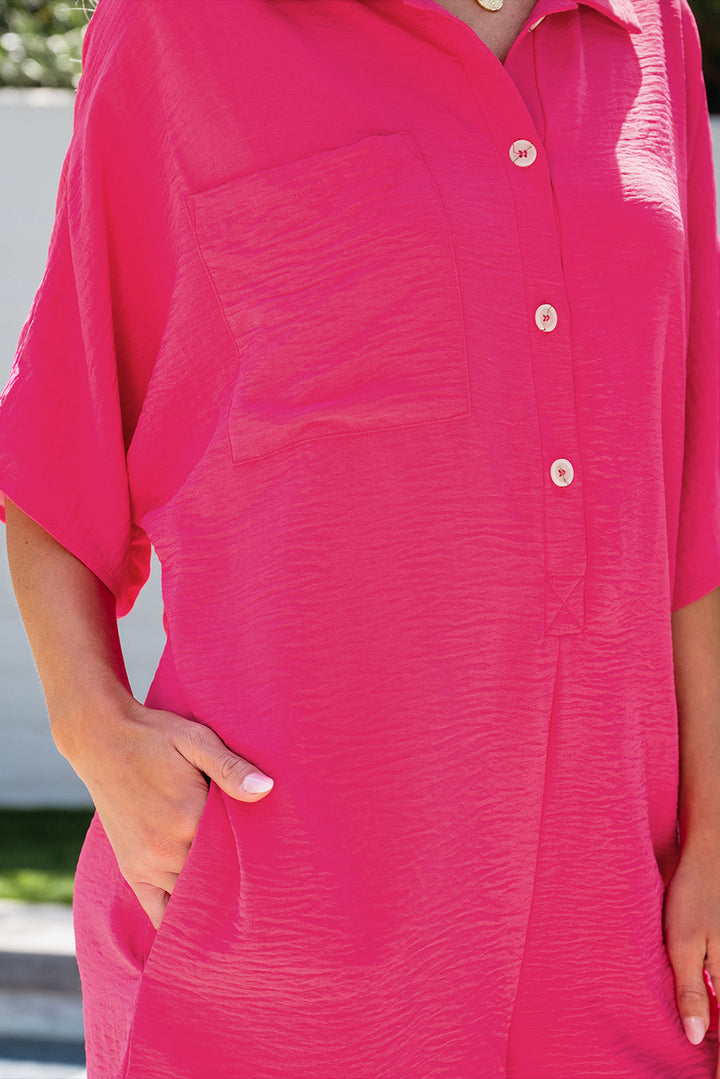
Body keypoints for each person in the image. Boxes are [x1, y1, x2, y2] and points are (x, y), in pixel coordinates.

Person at [2, 0, 720, 1075]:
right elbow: (58, 439)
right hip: (272, 939)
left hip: (624, 939)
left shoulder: (648, 27)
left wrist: (714, 831)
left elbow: (694, 487)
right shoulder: (176, 27)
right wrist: (96, 734)